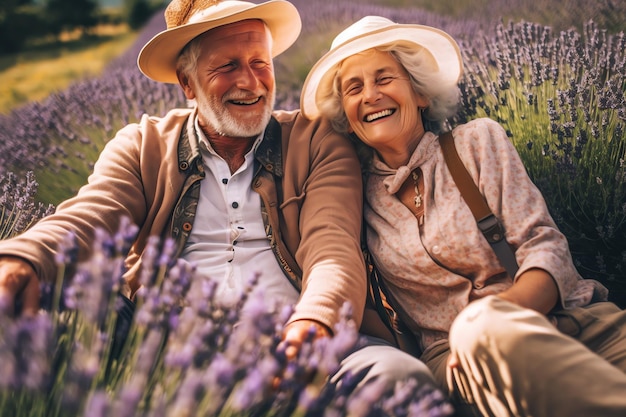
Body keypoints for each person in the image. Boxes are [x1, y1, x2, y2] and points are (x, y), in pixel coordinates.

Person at [0, 0, 434, 394]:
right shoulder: (142, 144)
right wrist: (23, 258)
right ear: (188, 83)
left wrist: (315, 322)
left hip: (298, 340)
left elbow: (333, 248)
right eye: (227, 66)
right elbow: (90, 216)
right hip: (164, 351)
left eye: (259, 62)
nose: (250, 82)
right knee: (47, 327)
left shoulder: (315, 140)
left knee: (399, 380)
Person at [301, 15, 626, 417]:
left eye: (384, 79)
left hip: (572, 324)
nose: (370, 95)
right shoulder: (353, 194)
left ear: (420, 94)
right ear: (346, 116)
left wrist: (502, 317)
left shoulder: (476, 141)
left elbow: (545, 246)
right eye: (354, 87)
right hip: (459, 361)